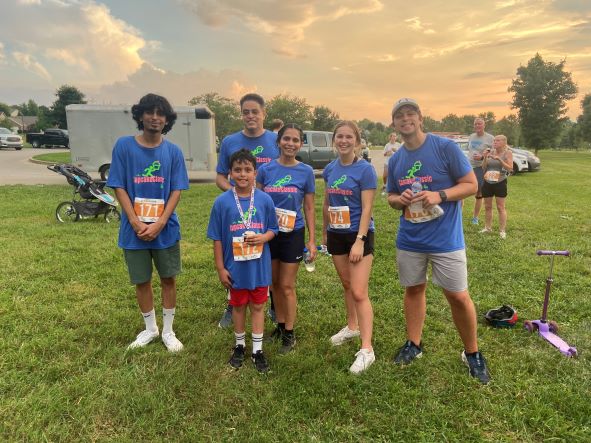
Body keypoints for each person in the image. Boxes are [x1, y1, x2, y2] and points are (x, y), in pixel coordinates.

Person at [387, 98, 490, 384]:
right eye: (399, 116)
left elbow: (472, 184)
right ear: (393, 123)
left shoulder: (444, 148)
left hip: (446, 239)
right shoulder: (396, 159)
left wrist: (440, 195)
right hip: (410, 239)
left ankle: (472, 353)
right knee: (413, 290)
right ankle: (414, 344)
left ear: (420, 118)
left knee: (458, 296)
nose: (405, 119)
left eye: (410, 114)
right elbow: (391, 197)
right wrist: (400, 199)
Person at [107, 93, 189, 352]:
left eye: (161, 113)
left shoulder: (173, 151)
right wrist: (134, 221)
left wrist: (160, 223)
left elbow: (176, 190)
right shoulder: (124, 146)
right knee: (141, 280)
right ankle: (150, 328)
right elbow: (118, 185)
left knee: (168, 278)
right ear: (140, 116)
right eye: (150, 112)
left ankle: (168, 330)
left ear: (167, 120)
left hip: (165, 229)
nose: (155, 118)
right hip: (134, 230)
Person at [207, 149, 279, 373]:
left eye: (247, 169)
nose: (242, 174)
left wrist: (264, 237)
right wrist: (220, 268)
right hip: (234, 267)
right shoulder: (222, 202)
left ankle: (257, 350)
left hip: (258, 268)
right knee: (238, 307)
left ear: (255, 172)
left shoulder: (265, 199)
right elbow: (217, 238)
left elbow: (273, 229)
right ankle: (239, 346)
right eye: (237, 170)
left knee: (258, 306)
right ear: (229, 173)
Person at [215, 93, 280, 328]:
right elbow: (220, 176)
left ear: (264, 113)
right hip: (239, 213)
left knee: (267, 260)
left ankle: (271, 303)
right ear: (241, 114)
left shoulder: (275, 140)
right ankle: (232, 304)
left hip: (266, 211)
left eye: (255, 111)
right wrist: (234, 193)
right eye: (246, 112)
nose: (250, 116)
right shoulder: (230, 142)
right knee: (236, 258)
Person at [323, 120, 377, 374]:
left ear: (356, 141)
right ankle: (352, 327)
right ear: (334, 140)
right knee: (346, 285)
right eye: (339, 136)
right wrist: (324, 231)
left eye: (348, 137)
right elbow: (327, 201)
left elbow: (367, 207)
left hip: (358, 235)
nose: (343, 141)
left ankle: (367, 349)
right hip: (336, 233)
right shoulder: (330, 169)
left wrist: (360, 240)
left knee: (358, 291)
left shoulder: (365, 170)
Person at [256, 123, 316, 354]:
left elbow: (309, 208)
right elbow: (258, 202)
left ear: (300, 144)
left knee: (287, 285)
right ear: (278, 141)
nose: (290, 144)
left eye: (295, 140)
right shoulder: (266, 170)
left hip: (293, 233)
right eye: (286, 139)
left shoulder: (306, 171)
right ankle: (280, 326)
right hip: (270, 235)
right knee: (273, 285)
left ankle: (289, 333)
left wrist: (311, 240)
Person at [480, 134, 513, 239]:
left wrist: (499, 160)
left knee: (500, 207)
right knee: (487, 207)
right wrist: (485, 157)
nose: (494, 142)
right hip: (487, 182)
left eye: (497, 141)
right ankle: (487, 228)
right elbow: (483, 168)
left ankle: (502, 231)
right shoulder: (490, 152)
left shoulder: (507, 153)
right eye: (494, 140)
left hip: (500, 182)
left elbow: (510, 169)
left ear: (504, 142)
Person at [467, 117, 494, 225]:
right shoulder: (471, 136)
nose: (477, 126)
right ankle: (458, 214)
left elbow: (493, 153)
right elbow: (470, 150)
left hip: (480, 168)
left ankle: (475, 218)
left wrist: (482, 157)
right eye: (475, 124)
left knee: (479, 193)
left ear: (484, 125)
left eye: (479, 124)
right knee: (461, 190)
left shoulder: (490, 138)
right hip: (468, 167)